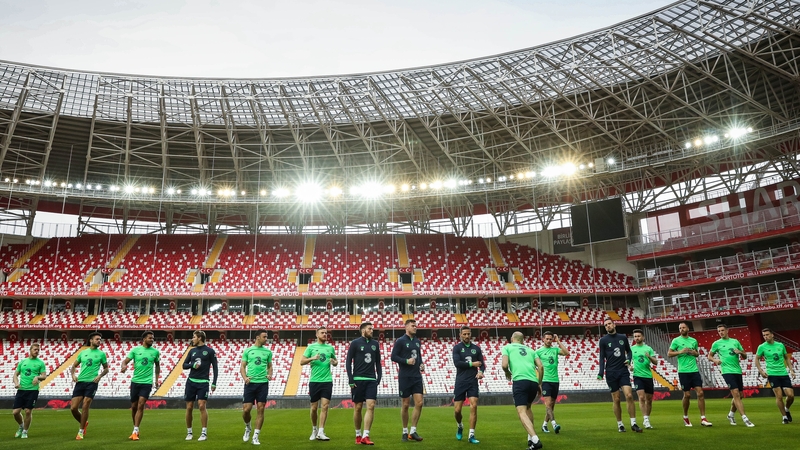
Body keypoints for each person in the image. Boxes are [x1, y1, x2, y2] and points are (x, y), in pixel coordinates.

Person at [597, 318, 642, 433]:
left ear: (614, 324)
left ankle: (633, 423)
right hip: (611, 372)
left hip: (623, 371)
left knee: (629, 395)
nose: (608, 326)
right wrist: (600, 373)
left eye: (609, 324)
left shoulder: (623, 338)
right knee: (616, 399)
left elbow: (629, 351)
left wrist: (628, 359)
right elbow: (602, 357)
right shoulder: (603, 340)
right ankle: (620, 424)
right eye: (606, 325)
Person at [502, 331, 544, 450]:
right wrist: (539, 383)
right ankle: (530, 440)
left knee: (521, 412)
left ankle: (535, 439)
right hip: (533, 382)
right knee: (528, 407)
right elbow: (540, 367)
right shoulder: (531, 350)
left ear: (512, 338)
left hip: (520, 381)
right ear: (523, 340)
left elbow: (504, 365)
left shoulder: (507, 347)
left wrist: (507, 372)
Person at [709, 323, 754, 427]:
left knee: (740, 395)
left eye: (722, 330)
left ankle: (731, 414)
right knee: (736, 393)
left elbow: (745, 356)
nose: (721, 332)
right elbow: (709, 356)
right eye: (719, 331)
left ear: (727, 330)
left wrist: (740, 352)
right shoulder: (716, 343)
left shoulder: (735, 341)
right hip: (726, 370)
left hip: (737, 370)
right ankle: (745, 418)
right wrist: (715, 360)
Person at [667, 322, 712, 427]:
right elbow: (669, 354)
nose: (681, 329)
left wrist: (694, 352)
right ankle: (685, 417)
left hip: (694, 370)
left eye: (683, 327)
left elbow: (697, 353)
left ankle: (703, 418)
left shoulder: (693, 340)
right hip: (683, 371)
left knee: (700, 393)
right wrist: (681, 352)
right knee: (687, 395)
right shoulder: (676, 340)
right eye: (680, 328)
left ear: (688, 328)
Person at [120, 330, 161, 441]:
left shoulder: (155, 352)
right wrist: (123, 366)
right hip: (135, 381)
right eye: (149, 338)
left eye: (153, 338)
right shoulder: (135, 350)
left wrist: (157, 379)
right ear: (144, 339)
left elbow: (157, 366)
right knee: (134, 406)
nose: (152, 339)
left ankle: (135, 430)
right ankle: (135, 428)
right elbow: (125, 361)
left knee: (141, 404)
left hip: (147, 382)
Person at [346, 321, 382, 445]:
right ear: (363, 330)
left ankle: (366, 435)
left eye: (372, 329)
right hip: (358, 379)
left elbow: (378, 362)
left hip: (371, 380)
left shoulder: (375, 344)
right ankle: (358, 434)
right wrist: (351, 378)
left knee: (371, 405)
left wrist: (379, 376)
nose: (372, 331)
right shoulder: (355, 343)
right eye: (369, 329)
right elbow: (348, 361)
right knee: (358, 408)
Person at [70, 332, 109, 440]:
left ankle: (81, 431)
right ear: (91, 340)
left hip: (92, 383)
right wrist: (73, 375)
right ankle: (84, 422)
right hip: (80, 382)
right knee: (73, 408)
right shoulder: (83, 352)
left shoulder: (101, 354)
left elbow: (106, 368)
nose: (99, 341)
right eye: (97, 339)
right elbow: (73, 366)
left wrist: (100, 376)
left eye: (100, 339)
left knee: (86, 404)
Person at [301, 326, 338, 441]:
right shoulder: (311, 347)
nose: (324, 335)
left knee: (325, 406)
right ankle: (314, 429)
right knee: (313, 408)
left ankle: (321, 431)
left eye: (326, 333)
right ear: (316, 334)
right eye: (322, 333)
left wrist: (334, 362)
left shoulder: (330, 348)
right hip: (314, 381)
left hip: (327, 381)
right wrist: (312, 358)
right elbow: (302, 362)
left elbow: (335, 361)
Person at [391, 318, 425, 442]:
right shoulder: (400, 341)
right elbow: (393, 357)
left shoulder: (417, 341)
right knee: (405, 404)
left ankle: (413, 431)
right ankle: (405, 431)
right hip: (405, 376)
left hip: (416, 376)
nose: (415, 327)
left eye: (416, 325)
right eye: (413, 325)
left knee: (419, 403)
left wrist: (421, 364)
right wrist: (406, 361)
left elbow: (419, 356)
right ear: (406, 327)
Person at [183, 330, 219, 441]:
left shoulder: (210, 351)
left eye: (194, 337)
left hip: (203, 382)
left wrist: (214, 382)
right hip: (191, 382)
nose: (192, 339)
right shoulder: (191, 351)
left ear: (199, 338)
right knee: (189, 407)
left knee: (202, 406)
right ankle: (189, 432)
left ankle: (204, 433)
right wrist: (192, 365)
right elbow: (184, 365)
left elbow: (215, 367)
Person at [452, 325, 485, 444]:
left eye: (468, 334)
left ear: (471, 335)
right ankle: (460, 425)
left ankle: (471, 435)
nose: (466, 336)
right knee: (457, 411)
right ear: (460, 335)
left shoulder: (476, 348)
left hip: (472, 381)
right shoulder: (457, 348)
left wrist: (481, 371)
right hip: (460, 381)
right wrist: (472, 364)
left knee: (474, 406)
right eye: (464, 334)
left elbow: (482, 364)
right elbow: (457, 363)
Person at [756, 328, 796, 424]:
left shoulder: (780, 345)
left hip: (783, 373)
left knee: (791, 395)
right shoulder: (762, 347)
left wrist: (791, 370)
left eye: (767, 334)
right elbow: (756, 359)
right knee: (779, 396)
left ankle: (786, 409)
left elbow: (786, 357)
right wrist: (761, 371)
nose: (765, 337)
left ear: (772, 335)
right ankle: (784, 417)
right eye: (764, 335)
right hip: (772, 374)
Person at [240, 329, 273, 446]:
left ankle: (255, 436)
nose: (266, 339)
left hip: (263, 383)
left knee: (261, 408)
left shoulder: (268, 352)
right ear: (258, 337)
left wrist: (270, 374)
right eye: (264, 337)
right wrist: (245, 378)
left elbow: (270, 366)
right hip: (250, 383)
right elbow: (242, 367)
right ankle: (248, 427)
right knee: (246, 410)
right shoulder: (248, 351)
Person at [536, 331, 568, 435]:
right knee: (548, 404)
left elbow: (566, 353)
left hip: (555, 380)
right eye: (547, 339)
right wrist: (538, 381)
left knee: (552, 405)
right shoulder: (539, 352)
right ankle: (554, 424)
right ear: (543, 339)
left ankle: (544, 425)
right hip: (545, 380)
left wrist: (558, 341)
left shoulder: (555, 350)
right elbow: (535, 366)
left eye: (551, 339)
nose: (549, 341)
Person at [12, 343, 47, 439]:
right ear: (30, 350)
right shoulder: (23, 362)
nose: (37, 351)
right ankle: (21, 425)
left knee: (28, 411)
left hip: (33, 390)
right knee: (15, 412)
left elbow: (44, 376)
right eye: (35, 349)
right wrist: (16, 383)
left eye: (38, 350)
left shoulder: (40, 363)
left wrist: (37, 377)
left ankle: (25, 431)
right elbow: (15, 375)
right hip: (21, 389)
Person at [630, 329, 657, 429]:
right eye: (635, 336)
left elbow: (656, 362)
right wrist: (630, 366)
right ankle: (645, 420)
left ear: (643, 337)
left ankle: (647, 418)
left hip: (648, 376)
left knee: (649, 400)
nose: (637, 338)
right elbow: (628, 361)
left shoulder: (648, 348)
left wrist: (649, 356)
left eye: (638, 336)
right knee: (641, 398)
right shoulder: (632, 349)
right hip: (637, 376)